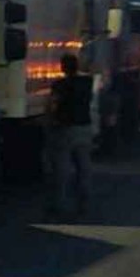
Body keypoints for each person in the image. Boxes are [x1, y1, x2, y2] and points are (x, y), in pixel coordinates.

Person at [46, 53, 94, 217]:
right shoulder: (87, 83)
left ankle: (58, 203)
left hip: (65, 129)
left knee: (61, 169)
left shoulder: (60, 85)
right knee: (83, 167)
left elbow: (53, 105)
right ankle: (84, 202)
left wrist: (50, 120)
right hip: (84, 128)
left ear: (63, 67)